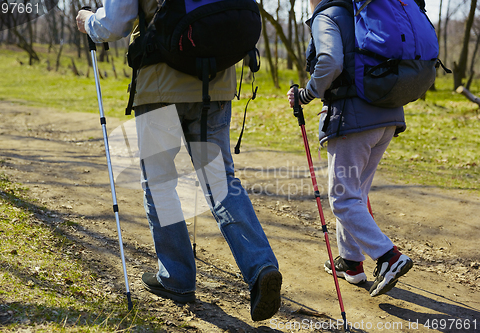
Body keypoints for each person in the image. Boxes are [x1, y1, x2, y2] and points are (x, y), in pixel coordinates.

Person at [76, 0, 281, 321]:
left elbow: (113, 24)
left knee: (159, 181)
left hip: (160, 82)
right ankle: (261, 267)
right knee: (219, 179)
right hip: (216, 77)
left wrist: (89, 21)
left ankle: (177, 278)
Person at [287, 0, 413, 297]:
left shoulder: (327, 15)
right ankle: (351, 263)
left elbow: (330, 61)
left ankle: (388, 256)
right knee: (356, 193)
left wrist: (305, 94)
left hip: (354, 121)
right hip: (388, 115)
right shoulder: (365, 13)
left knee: (342, 199)